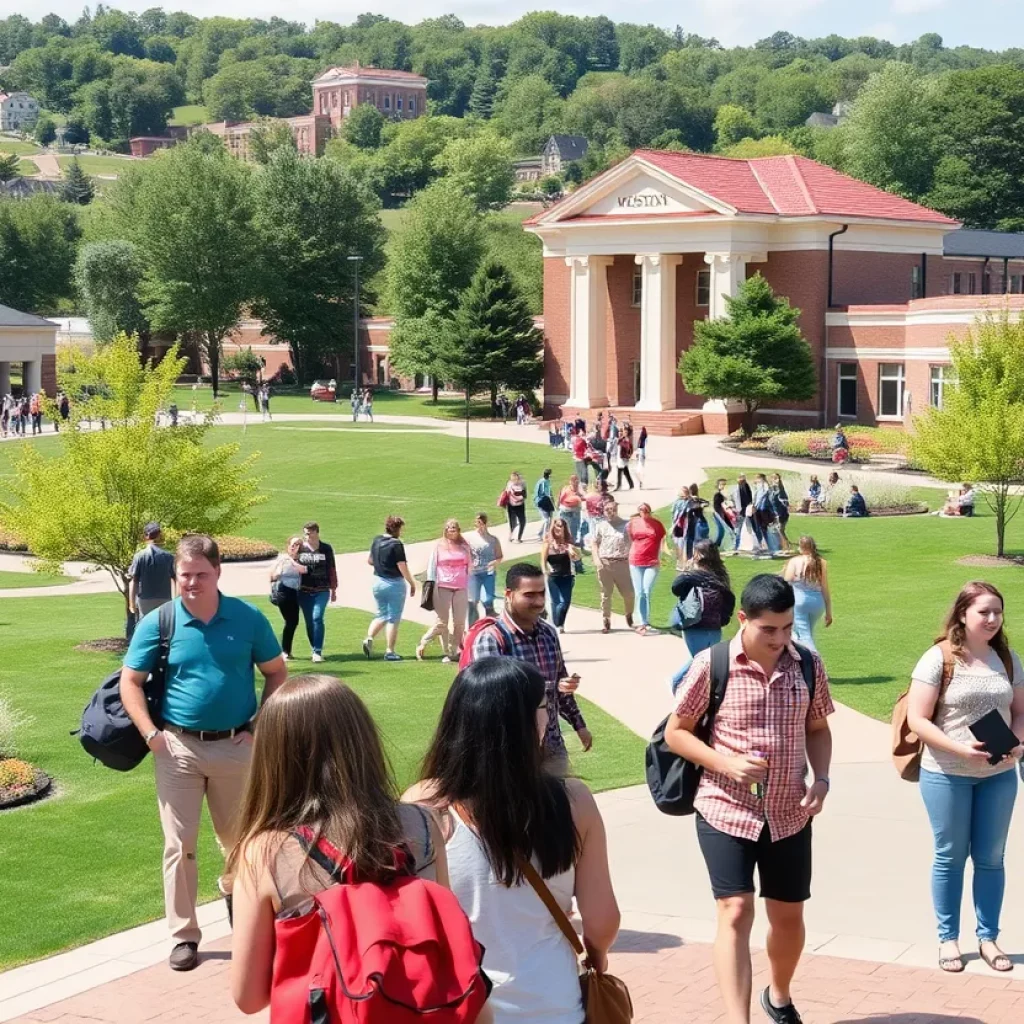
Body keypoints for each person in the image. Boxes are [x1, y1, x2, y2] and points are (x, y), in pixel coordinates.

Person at [228, 675, 483, 1018]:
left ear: (274, 757)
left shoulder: (265, 853)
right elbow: (447, 941)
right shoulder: (423, 825)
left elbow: (249, 996)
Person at [404, 657, 619, 1023]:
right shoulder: (574, 801)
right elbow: (603, 921)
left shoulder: (420, 807)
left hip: (462, 1006)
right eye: (543, 707)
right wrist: (595, 955)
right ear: (524, 720)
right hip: (554, 1002)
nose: (548, 717)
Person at [665, 575, 834, 1024]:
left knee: (788, 920)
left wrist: (823, 780)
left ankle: (778, 996)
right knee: (735, 910)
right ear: (744, 619)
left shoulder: (808, 666)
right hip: (724, 809)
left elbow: (818, 729)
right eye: (769, 629)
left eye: (787, 627)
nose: (780, 638)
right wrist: (725, 764)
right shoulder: (711, 663)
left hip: (789, 814)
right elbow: (676, 733)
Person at [119, 534, 288, 972]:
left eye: (200, 574)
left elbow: (275, 673)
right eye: (184, 575)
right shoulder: (159, 622)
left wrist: (256, 726)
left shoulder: (248, 618)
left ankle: (245, 918)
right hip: (177, 750)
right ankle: (184, 935)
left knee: (241, 842)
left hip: (237, 747)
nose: (191, 583)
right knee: (180, 845)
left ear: (218, 573)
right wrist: (153, 735)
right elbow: (130, 682)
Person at [906, 581, 1024, 974]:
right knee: (950, 857)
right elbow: (917, 719)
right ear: (962, 614)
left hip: (999, 774)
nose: (992, 619)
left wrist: (1017, 743)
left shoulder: (1006, 658)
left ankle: (988, 938)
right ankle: (949, 939)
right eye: (983, 612)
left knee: (991, 859)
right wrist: (959, 749)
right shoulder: (939, 658)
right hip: (946, 774)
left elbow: (1021, 712)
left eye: (997, 611)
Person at [466, 563, 592, 765]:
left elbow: (560, 682)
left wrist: (579, 724)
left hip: (553, 747)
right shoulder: (492, 639)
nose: (539, 601)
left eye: (542, 593)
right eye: (529, 595)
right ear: (509, 594)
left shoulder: (548, 634)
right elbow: (492, 702)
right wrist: (548, 687)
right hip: (511, 754)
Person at [668, 540, 736, 694]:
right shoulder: (721, 575)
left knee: (700, 662)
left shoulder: (692, 576)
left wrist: (688, 569)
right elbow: (729, 599)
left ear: (699, 555)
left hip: (694, 625)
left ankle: (679, 684)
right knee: (706, 661)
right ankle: (698, 693)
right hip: (715, 627)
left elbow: (676, 588)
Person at [418, 520, 472, 664]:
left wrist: (469, 584)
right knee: (442, 622)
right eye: (448, 528)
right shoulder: (439, 546)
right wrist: (431, 584)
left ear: (458, 530)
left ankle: (452, 651)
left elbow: (470, 566)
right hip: (443, 586)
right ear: (445, 530)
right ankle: (425, 640)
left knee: (459, 622)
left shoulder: (464, 546)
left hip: (461, 586)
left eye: (454, 528)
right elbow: (431, 567)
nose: (451, 530)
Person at [364, 516, 416, 662]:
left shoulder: (377, 540)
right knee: (393, 618)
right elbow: (402, 566)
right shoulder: (396, 544)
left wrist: (382, 564)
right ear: (397, 528)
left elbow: (370, 561)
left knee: (381, 614)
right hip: (394, 584)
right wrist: (411, 582)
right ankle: (390, 651)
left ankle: (369, 637)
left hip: (378, 582)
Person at [591, 495, 635, 635]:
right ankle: (606, 619)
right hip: (605, 563)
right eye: (607, 510)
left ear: (617, 509)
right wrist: (597, 561)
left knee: (628, 593)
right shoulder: (600, 526)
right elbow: (594, 544)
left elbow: (634, 543)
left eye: (613, 509)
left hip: (622, 562)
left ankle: (629, 614)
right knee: (606, 594)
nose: (610, 512)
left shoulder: (626, 525)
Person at [781, 537, 832, 652]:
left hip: (799, 601)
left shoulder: (795, 561)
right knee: (806, 633)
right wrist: (828, 611)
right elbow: (825, 587)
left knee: (804, 635)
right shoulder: (821, 562)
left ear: (801, 547)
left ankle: (815, 663)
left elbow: (787, 580)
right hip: (818, 603)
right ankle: (801, 660)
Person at [296, 522, 337, 663]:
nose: (307, 536)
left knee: (317, 617)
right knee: (309, 622)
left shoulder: (326, 548)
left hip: (322, 589)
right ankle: (314, 647)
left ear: (316, 533)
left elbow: (331, 568)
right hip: (304, 590)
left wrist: (333, 589)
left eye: (310, 533)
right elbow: (290, 563)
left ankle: (317, 651)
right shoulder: (300, 549)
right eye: (305, 533)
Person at [127, 523, 177, 639]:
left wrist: (132, 603)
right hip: (165, 598)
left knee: (146, 627)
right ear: (159, 535)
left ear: (146, 536)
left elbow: (134, 581)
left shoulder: (139, 556)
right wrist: (176, 599)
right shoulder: (168, 556)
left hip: (145, 598)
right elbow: (175, 579)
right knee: (164, 628)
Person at [627, 503, 670, 636]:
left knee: (646, 590)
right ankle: (642, 622)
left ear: (649, 511)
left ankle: (644, 621)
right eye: (641, 510)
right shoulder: (633, 523)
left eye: (645, 511)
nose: (643, 512)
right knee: (639, 592)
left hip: (651, 562)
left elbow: (662, 539)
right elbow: (631, 538)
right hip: (635, 561)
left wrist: (663, 553)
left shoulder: (657, 524)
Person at [269, 536, 307, 660]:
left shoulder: (301, 560)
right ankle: (284, 651)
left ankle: (286, 650)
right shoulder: (283, 560)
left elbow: (304, 570)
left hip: (295, 592)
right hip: (284, 592)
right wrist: (278, 571)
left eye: (297, 544)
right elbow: (273, 576)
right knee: (290, 621)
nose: (294, 547)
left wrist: (293, 561)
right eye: (292, 544)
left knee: (293, 622)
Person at [542, 517, 579, 634]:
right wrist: (545, 570)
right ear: (553, 527)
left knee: (565, 602)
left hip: (567, 576)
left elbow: (577, 558)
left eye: (561, 526)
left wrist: (572, 552)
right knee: (555, 601)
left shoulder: (568, 543)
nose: (559, 528)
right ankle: (558, 624)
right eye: (557, 525)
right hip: (553, 577)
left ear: (564, 528)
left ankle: (557, 622)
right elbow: (543, 561)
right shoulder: (548, 544)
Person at [467, 512, 503, 626]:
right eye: (477, 522)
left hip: (488, 572)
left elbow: (499, 556)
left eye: (481, 523)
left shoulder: (493, 540)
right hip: (474, 573)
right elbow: (465, 554)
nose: (479, 525)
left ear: (486, 524)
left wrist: (494, 562)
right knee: (473, 600)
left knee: (488, 599)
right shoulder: (470, 538)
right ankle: (473, 626)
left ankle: (490, 622)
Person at [731, 474, 756, 556]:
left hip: (745, 512)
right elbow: (735, 499)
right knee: (738, 530)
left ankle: (738, 546)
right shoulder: (739, 488)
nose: (741, 482)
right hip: (741, 512)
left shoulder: (745, 488)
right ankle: (736, 546)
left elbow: (748, 499)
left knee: (745, 530)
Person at [712, 478, 737, 549]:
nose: (723, 486)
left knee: (722, 531)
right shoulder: (718, 495)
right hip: (720, 515)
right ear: (718, 486)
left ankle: (716, 546)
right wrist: (724, 514)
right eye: (722, 484)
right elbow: (717, 507)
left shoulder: (725, 495)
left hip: (722, 515)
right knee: (729, 529)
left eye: (725, 484)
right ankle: (734, 546)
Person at [769, 474, 792, 553]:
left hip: (782, 515)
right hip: (776, 514)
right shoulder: (772, 492)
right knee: (777, 530)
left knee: (780, 530)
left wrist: (784, 503)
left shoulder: (780, 491)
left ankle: (787, 546)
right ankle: (782, 545)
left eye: (775, 479)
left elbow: (784, 500)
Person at [503, 471, 527, 543]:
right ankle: (510, 537)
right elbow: (507, 494)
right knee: (512, 523)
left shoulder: (522, 484)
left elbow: (525, 495)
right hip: (511, 506)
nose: (514, 481)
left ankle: (519, 538)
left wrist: (520, 496)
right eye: (513, 479)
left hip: (520, 506)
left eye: (516, 479)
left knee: (522, 522)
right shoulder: (509, 484)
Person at [534, 468, 555, 539]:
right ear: (549, 475)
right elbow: (540, 493)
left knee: (550, 519)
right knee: (546, 520)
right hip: (541, 502)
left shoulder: (547, 481)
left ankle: (541, 533)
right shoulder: (542, 482)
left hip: (547, 501)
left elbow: (549, 492)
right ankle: (544, 536)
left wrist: (553, 501)